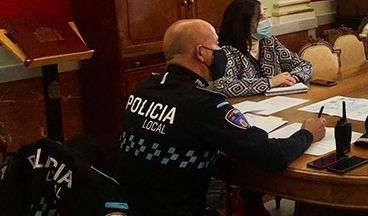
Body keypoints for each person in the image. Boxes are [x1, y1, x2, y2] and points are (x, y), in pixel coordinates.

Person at [116, 19, 326, 215]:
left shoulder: (143, 88)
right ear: (201, 53)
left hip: (134, 208)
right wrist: (307, 133)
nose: (220, 52)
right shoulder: (204, 104)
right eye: (216, 45)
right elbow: (272, 156)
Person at [212, 0, 312, 97]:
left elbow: (305, 65)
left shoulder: (270, 43)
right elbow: (222, 85)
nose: (266, 19)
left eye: (265, 14)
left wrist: (294, 77)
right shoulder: (228, 51)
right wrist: (270, 82)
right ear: (243, 24)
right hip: (246, 107)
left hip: (277, 103)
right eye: (260, 17)